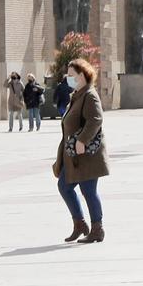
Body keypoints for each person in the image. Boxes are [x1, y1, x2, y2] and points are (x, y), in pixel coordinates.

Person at [54, 57, 109, 244]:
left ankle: (97, 228)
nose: (68, 79)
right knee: (64, 186)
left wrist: (82, 140)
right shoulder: (76, 95)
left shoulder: (90, 95)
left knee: (88, 190)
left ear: (83, 75)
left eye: (71, 75)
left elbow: (96, 119)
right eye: (67, 75)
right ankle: (80, 224)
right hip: (74, 156)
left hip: (86, 155)